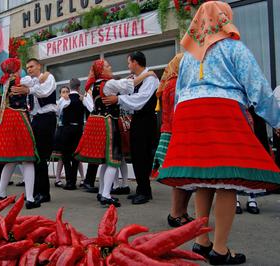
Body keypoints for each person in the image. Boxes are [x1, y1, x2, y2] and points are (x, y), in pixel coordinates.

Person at [157, 2, 280, 264]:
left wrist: (179, 124)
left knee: (205, 178)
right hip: (220, 111)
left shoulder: (189, 55)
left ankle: (202, 242)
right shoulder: (234, 48)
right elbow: (257, 87)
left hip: (190, 115)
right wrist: (277, 120)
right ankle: (220, 249)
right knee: (228, 179)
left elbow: (179, 93)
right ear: (225, 19)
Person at [75, 59, 153, 207]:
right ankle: (105, 194)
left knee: (106, 160)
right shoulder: (108, 83)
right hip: (108, 122)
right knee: (114, 159)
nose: (110, 67)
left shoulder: (95, 84)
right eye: (107, 66)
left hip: (97, 122)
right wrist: (147, 74)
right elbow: (129, 86)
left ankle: (103, 192)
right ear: (101, 70)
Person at [103, 51, 159, 204]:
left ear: (135, 62)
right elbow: (126, 89)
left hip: (146, 120)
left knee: (143, 156)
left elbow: (140, 100)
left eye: (129, 62)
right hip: (137, 119)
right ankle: (141, 189)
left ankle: (145, 192)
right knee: (136, 155)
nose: (128, 66)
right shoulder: (136, 78)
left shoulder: (151, 78)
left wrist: (118, 99)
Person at [0, 58, 41, 209]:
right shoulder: (22, 80)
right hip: (17, 118)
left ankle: (0, 193)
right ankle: (30, 198)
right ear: (16, 68)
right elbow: (36, 83)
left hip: (4, 120)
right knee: (28, 159)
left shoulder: (2, 82)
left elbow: (0, 101)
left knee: (11, 159)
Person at [151, 53, 194, 227]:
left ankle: (180, 212)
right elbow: (179, 112)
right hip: (176, 132)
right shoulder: (176, 84)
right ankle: (176, 213)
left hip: (170, 132)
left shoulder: (169, 83)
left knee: (182, 176)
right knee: (181, 176)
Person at [12, 58, 57, 204]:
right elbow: (22, 80)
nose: (29, 69)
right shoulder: (32, 80)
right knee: (35, 156)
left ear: (39, 66)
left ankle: (43, 193)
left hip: (47, 118)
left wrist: (29, 89)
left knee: (42, 156)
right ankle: (35, 191)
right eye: (27, 67)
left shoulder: (49, 77)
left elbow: (44, 92)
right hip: (36, 119)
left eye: (32, 66)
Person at [59, 78, 91, 190]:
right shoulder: (82, 98)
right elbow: (91, 110)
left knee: (66, 156)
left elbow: (58, 112)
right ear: (78, 87)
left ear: (69, 86)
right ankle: (73, 180)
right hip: (78, 129)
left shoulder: (64, 99)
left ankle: (69, 182)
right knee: (76, 156)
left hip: (66, 128)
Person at [52, 86, 70, 188]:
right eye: (63, 92)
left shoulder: (72, 101)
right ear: (60, 94)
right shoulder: (59, 102)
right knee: (61, 156)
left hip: (70, 131)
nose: (65, 93)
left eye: (67, 91)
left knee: (75, 156)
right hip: (61, 130)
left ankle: (83, 178)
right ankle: (58, 178)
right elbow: (57, 113)